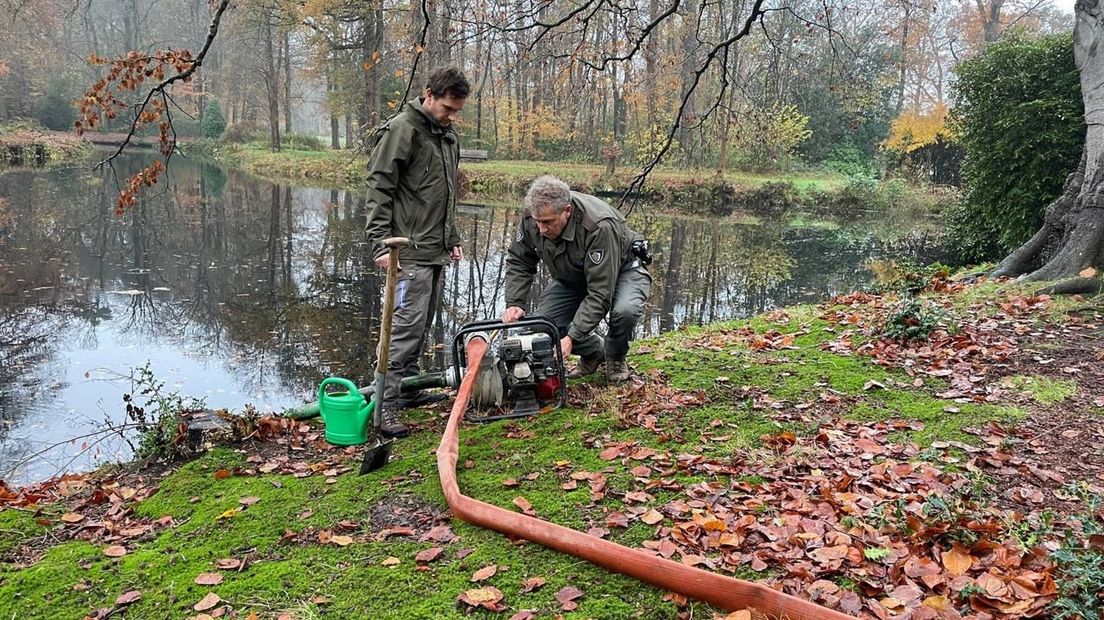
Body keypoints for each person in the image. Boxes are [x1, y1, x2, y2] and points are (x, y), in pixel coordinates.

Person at [365, 67, 470, 438]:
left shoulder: (447, 136)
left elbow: (446, 194)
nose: (452, 116)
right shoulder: (402, 129)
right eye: (446, 107)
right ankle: (386, 404)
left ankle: (407, 389)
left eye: (457, 110)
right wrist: (381, 241)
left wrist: (452, 236)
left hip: (434, 248)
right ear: (428, 95)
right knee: (403, 328)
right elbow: (380, 186)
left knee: (422, 324)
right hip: (406, 250)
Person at [501, 175, 651, 382]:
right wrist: (514, 303)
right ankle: (593, 351)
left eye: (548, 222)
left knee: (625, 311)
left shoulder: (599, 226)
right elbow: (519, 260)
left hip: (622, 270)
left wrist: (571, 337)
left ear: (567, 211)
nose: (542, 229)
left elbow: (599, 293)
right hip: (574, 274)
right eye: (537, 222)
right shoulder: (532, 217)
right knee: (543, 324)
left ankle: (615, 356)